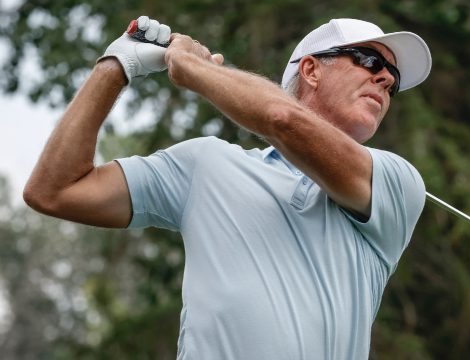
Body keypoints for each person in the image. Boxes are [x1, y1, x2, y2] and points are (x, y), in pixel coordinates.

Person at [24, 15, 432, 359]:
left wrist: (191, 67)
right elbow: (54, 191)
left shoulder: (396, 182)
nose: (384, 79)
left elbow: (281, 117)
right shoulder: (206, 163)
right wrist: (116, 66)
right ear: (311, 69)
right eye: (369, 60)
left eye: (392, 80)